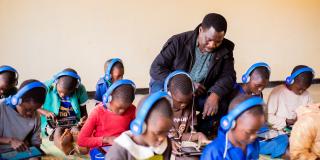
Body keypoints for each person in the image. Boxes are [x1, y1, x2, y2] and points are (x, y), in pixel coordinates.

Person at [149, 13, 236, 136]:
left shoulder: (226, 48)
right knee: (158, 98)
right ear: (201, 30)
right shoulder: (178, 41)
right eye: (209, 39)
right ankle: (160, 131)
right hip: (173, 87)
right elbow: (156, 68)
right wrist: (185, 83)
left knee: (221, 103)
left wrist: (215, 94)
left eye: (218, 42)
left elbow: (228, 76)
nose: (212, 45)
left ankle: (198, 132)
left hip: (200, 91)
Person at [77, 79, 136, 158]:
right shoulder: (97, 112)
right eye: (119, 108)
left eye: (126, 108)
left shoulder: (132, 109)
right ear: (109, 98)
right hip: (100, 148)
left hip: (122, 147)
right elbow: (81, 140)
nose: (122, 111)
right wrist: (106, 139)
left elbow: (136, 132)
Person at [106, 91, 173, 160]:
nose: (162, 138)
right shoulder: (119, 152)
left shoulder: (165, 144)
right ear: (141, 126)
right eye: (158, 133)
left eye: (166, 132)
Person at [37, 68, 89, 155]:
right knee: (57, 130)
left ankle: (81, 145)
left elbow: (84, 111)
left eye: (67, 94)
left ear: (75, 88)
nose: (62, 95)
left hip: (73, 122)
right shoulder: (47, 87)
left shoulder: (80, 89)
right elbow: (35, 107)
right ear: (56, 82)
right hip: (53, 123)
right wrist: (46, 112)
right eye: (60, 91)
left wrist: (84, 119)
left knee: (75, 129)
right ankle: (63, 145)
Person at [201, 95, 265, 160]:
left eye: (257, 131)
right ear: (231, 124)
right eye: (249, 132)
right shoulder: (213, 152)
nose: (254, 136)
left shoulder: (254, 143)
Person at [164, 71, 208, 159]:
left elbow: (181, 136)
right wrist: (168, 142)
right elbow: (153, 137)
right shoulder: (161, 108)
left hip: (179, 147)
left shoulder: (190, 107)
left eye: (187, 102)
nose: (183, 105)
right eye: (179, 102)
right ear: (168, 94)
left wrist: (198, 135)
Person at [0, 80, 46, 154]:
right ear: (16, 100)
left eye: (35, 110)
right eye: (27, 109)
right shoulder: (2, 108)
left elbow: (35, 143)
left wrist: (35, 154)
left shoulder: (36, 116)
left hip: (20, 154)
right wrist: (10, 141)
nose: (30, 113)